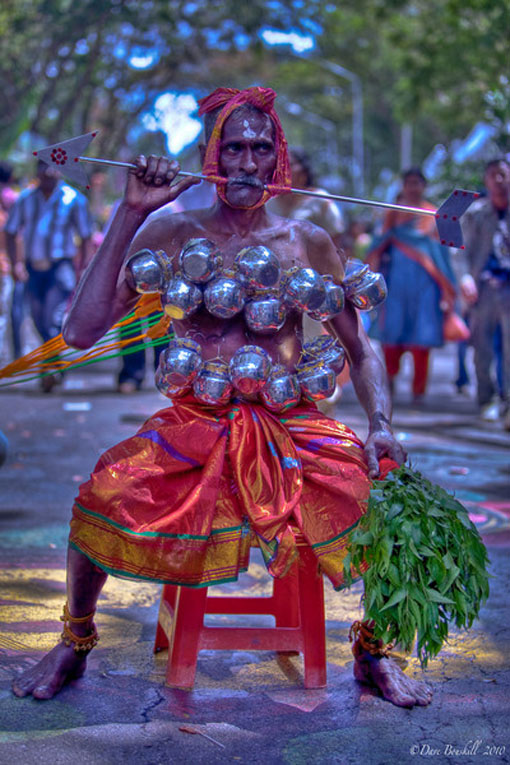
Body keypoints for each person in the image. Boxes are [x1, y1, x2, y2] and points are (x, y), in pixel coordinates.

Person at [11, 87, 431, 708]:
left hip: (292, 425)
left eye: (261, 148)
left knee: (402, 509)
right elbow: (79, 332)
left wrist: (382, 424)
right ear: (211, 156)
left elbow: (361, 349)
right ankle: (74, 641)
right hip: (194, 423)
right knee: (102, 493)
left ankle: (372, 653)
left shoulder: (307, 240)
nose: (246, 161)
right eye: (233, 146)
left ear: (277, 158)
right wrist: (130, 213)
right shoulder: (172, 230)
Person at [366, 167, 457, 401]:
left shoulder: (433, 214)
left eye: (417, 183)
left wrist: (446, 289)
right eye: (409, 183)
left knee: (421, 336)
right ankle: (391, 380)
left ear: (423, 186)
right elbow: (379, 243)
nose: (413, 187)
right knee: (391, 333)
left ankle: (419, 391)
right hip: (397, 282)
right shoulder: (394, 213)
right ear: (403, 186)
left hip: (426, 283)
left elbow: (442, 252)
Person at [4, 160, 94, 391]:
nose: (48, 172)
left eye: (53, 167)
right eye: (43, 167)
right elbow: (11, 231)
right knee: (37, 319)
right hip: (33, 269)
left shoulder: (73, 199)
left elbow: (85, 236)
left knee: (52, 318)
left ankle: (49, 369)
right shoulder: (25, 199)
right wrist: (16, 264)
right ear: (37, 171)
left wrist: (84, 267)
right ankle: (56, 364)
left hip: (60, 267)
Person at [458, 158, 510, 429]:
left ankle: (509, 404)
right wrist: (465, 278)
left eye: (503, 174)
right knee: (482, 349)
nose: (499, 180)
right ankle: (486, 399)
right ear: (487, 181)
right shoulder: (476, 213)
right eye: (493, 175)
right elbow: (460, 251)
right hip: (483, 290)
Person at [0, 162, 18, 364]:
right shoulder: (11, 199)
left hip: (5, 265)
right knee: (5, 313)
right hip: (4, 266)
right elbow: (15, 236)